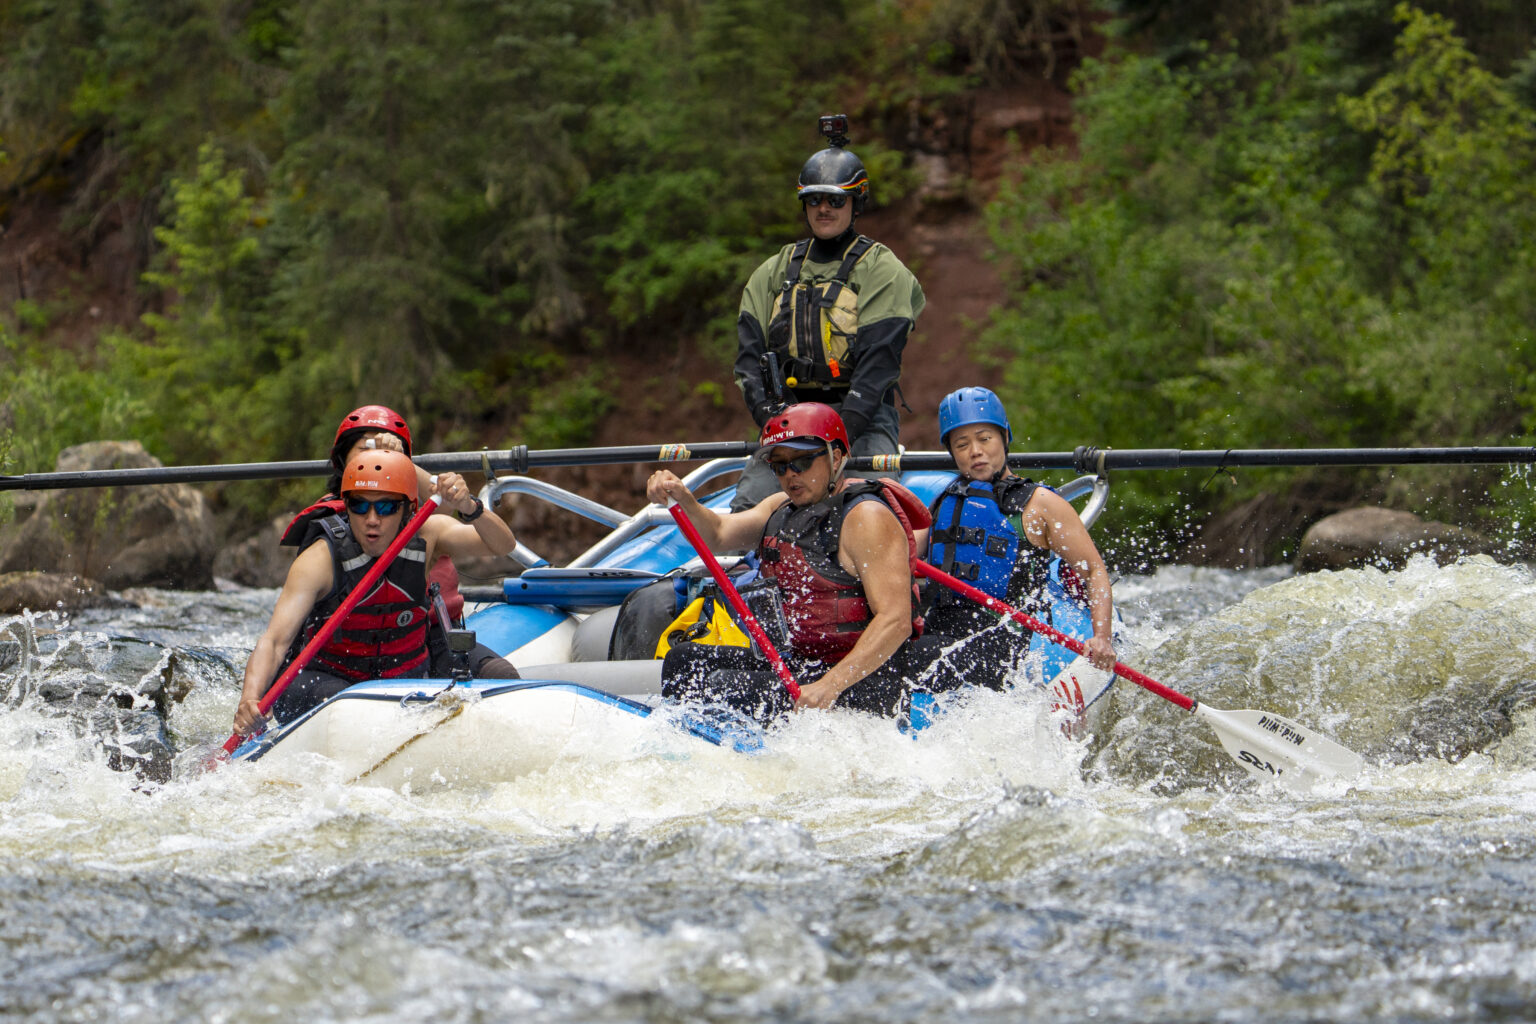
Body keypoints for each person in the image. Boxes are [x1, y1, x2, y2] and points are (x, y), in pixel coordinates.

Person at [646, 402, 955, 724]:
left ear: (836, 457)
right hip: (805, 663)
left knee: (725, 687)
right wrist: (683, 498)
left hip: (864, 682)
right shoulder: (780, 507)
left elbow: (896, 620)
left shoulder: (867, 517)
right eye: (780, 466)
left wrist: (829, 686)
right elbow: (719, 534)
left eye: (803, 462)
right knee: (685, 659)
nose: (791, 475)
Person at [233, 450, 518, 736]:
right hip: (328, 680)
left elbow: (501, 545)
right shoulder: (319, 559)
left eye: (385, 508)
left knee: (503, 677)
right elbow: (274, 641)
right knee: (350, 711)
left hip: (407, 675)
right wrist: (249, 698)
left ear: (407, 509)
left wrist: (470, 507)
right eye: (359, 506)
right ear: (346, 507)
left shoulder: (428, 534)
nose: (371, 519)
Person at [730, 114, 925, 511]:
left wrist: (835, 439)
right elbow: (749, 361)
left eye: (836, 200)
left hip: (862, 418)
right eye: (815, 199)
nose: (824, 209)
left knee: (867, 509)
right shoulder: (775, 270)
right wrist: (774, 422)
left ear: (855, 203)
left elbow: (878, 365)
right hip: (790, 421)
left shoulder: (881, 270)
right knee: (748, 511)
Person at [280, 404, 515, 679]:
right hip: (347, 651)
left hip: (423, 636)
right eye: (366, 449)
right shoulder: (334, 526)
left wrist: (399, 461)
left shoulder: (421, 517)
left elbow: (444, 506)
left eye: (385, 454)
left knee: (500, 673)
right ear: (343, 462)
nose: (372, 518)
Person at [920, 387, 1116, 691]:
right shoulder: (942, 500)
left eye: (985, 438)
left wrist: (1101, 637)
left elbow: (1093, 571)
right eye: (962, 444)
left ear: (1005, 438)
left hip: (1002, 642)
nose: (975, 451)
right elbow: (904, 558)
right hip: (939, 629)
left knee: (923, 656)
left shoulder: (1041, 504)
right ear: (952, 452)